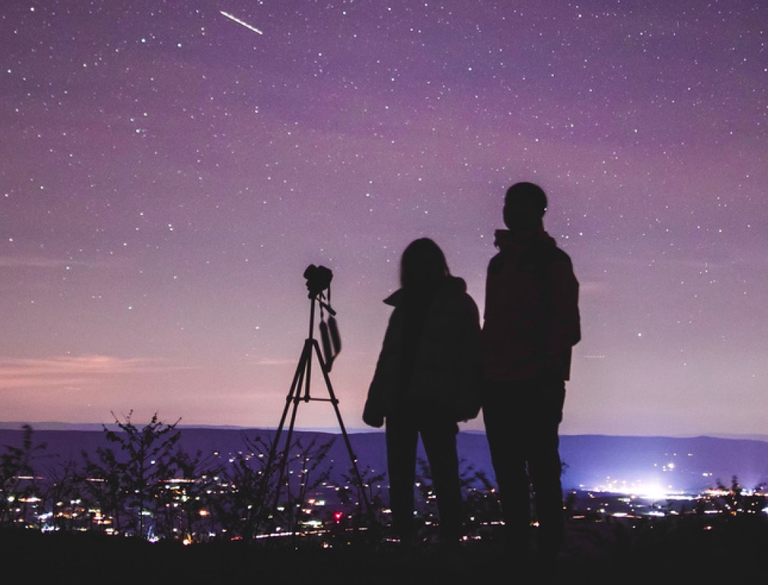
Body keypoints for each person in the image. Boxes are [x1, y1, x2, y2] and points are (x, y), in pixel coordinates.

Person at [481, 182, 581, 559]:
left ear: (539, 211)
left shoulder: (552, 262)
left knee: (540, 472)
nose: (509, 210)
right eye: (508, 203)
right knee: (510, 474)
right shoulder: (500, 262)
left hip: (535, 382)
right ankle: (520, 555)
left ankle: (548, 555)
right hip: (500, 382)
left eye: (518, 205)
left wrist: (544, 368)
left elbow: (566, 325)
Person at [363, 238, 483, 547]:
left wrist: (465, 400)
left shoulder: (457, 303)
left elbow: (471, 355)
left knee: (442, 474)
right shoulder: (405, 307)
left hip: (436, 402)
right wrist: (377, 401)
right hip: (403, 402)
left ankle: (448, 540)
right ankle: (409, 541)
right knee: (405, 477)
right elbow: (388, 357)